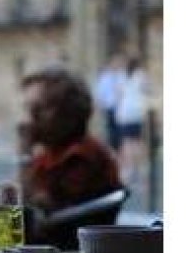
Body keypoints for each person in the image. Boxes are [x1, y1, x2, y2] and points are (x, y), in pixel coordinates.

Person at [18, 67, 120, 214]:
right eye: (28, 108)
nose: (30, 118)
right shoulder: (49, 155)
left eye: (40, 108)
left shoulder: (82, 155)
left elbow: (39, 212)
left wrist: (24, 153)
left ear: (69, 112)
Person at [113, 56, 151, 187]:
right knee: (138, 143)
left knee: (127, 143)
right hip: (137, 113)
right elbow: (147, 91)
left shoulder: (121, 76)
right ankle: (141, 172)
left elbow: (118, 95)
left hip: (125, 113)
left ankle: (128, 173)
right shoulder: (141, 75)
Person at [93, 55, 126, 151]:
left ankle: (120, 151)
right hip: (110, 107)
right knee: (111, 131)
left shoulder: (123, 76)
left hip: (122, 109)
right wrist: (99, 105)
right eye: (114, 62)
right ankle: (113, 149)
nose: (116, 65)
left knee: (121, 132)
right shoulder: (105, 77)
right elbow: (100, 93)